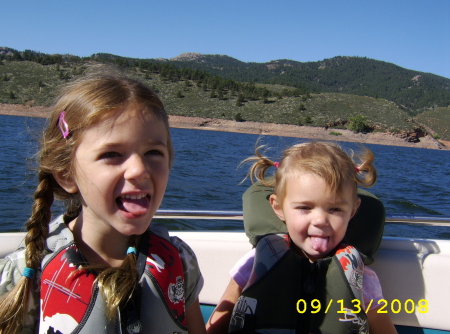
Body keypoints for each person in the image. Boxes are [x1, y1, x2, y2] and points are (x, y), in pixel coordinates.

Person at [0, 68, 206, 334]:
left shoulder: (179, 259)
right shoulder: (27, 271)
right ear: (66, 174)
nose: (139, 170)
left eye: (154, 152)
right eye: (112, 154)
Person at [206, 141, 397, 334]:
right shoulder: (255, 264)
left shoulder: (361, 279)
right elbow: (217, 324)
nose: (320, 220)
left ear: (353, 210)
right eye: (305, 208)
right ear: (278, 208)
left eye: (335, 209)